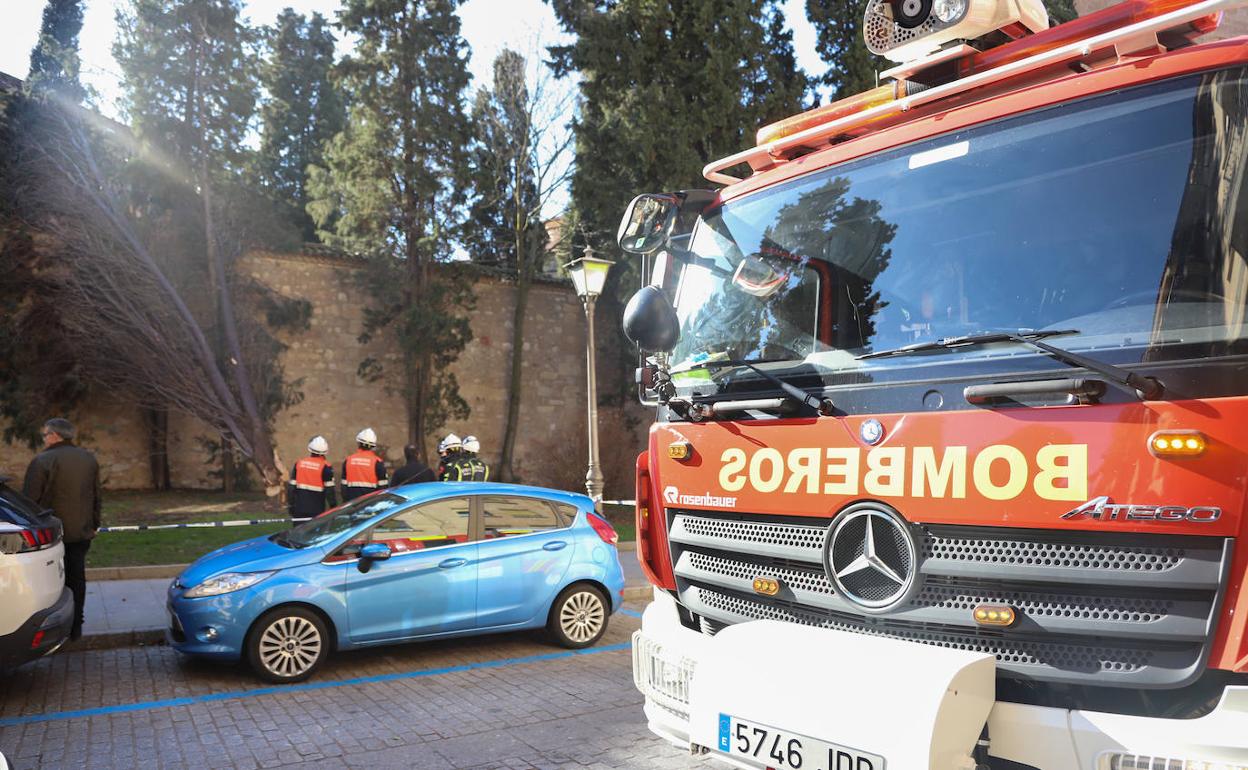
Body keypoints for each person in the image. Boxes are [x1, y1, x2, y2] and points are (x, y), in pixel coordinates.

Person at [22, 418, 100, 641]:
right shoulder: (88, 459)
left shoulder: (42, 461)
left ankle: (54, 628)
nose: (44, 439)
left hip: (51, 534)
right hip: (81, 530)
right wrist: (94, 524)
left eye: (45, 435)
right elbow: (96, 495)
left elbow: (30, 501)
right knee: (77, 577)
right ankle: (76, 625)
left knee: (51, 580)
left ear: (55, 435)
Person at [287, 436, 336, 524]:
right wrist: (333, 506)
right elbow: (330, 491)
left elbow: (291, 488)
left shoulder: (299, 464)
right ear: (325, 451)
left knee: (297, 534)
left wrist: (290, 504)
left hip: (299, 508)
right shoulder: (326, 467)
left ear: (310, 449)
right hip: (317, 509)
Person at [341, 428, 388, 502]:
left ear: (358, 443)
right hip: (370, 503)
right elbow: (383, 488)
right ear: (373, 446)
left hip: (351, 504)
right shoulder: (377, 462)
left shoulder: (348, 460)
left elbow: (343, 487)